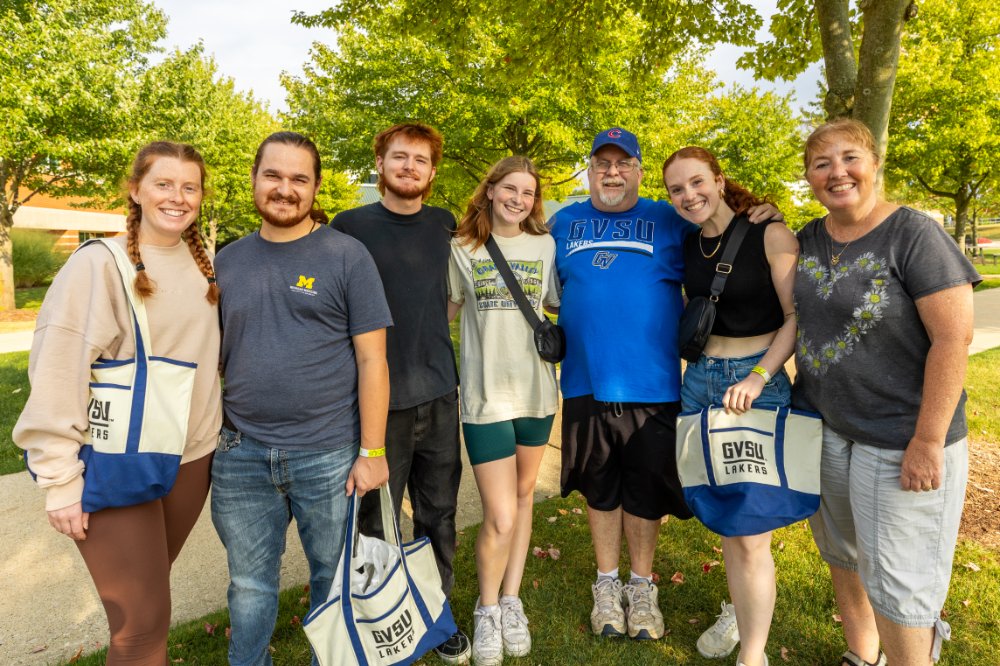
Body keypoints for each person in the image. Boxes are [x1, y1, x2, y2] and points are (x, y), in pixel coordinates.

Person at [549, 127, 780, 642]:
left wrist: (762, 211)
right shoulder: (561, 223)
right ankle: (606, 585)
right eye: (602, 163)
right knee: (600, 486)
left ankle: (640, 585)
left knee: (645, 490)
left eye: (623, 163)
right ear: (589, 169)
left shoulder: (667, 217)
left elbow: (718, 220)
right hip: (585, 380)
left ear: (637, 169)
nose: (612, 172)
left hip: (654, 385)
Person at [14, 141, 222, 664]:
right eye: (163, 183)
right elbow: (59, 366)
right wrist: (60, 481)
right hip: (117, 457)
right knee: (141, 625)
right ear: (135, 190)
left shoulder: (207, 266)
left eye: (189, 187)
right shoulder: (99, 264)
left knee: (148, 602)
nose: (177, 197)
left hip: (192, 457)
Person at [795, 119, 979, 666]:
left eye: (849, 158)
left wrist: (928, 440)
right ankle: (862, 655)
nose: (837, 172)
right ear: (808, 177)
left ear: (874, 163)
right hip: (827, 427)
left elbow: (953, 339)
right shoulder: (809, 236)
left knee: (900, 582)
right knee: (844, 556)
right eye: (821, 163)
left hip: (901, 436)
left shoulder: (914, 234)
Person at [212, 131, 392, 666]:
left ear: (315, 187)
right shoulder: (228, 261)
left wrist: (373, 452)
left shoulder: (347, 257)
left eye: (298, 179)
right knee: (248, 585)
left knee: (331, 581)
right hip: (240, 453)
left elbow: (373, 360)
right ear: (254, 179)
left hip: (328, 454)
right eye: (273, 175)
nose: (285, 189)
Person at [332, 122, 470, 664]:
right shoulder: (349, 227)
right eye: (399, 157)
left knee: (438, 513)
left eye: (420, 159)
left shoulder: (444, 225)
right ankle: (384, 617)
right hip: (376, 401)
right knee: (377, 521)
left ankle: (436, 617)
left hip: (438, 392)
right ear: (380, 163)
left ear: (432, 172)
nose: (409, 166)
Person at [663, 147, 799, 666]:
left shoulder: (770, 233)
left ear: (719, 180)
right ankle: (741, 608)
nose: (689, 196)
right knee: (726, 518)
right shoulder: (688, 242)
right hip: (700, 386)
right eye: (677, 190)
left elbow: (795, 317)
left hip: (754, 386)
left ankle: (753, 653)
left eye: (697, 183)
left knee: (750, 532)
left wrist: (760, 377)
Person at [446, 156, 560, 665]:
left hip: (537, 394)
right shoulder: (461, 248)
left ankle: (511, 600)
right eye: (510, 189)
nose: (519, 199)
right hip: (485, 397)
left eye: (528, 193)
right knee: (499, 514)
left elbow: (557, 305)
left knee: (523, 497)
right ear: (489, 191)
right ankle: (486, 608)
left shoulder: (546, 246)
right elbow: (441, 314)